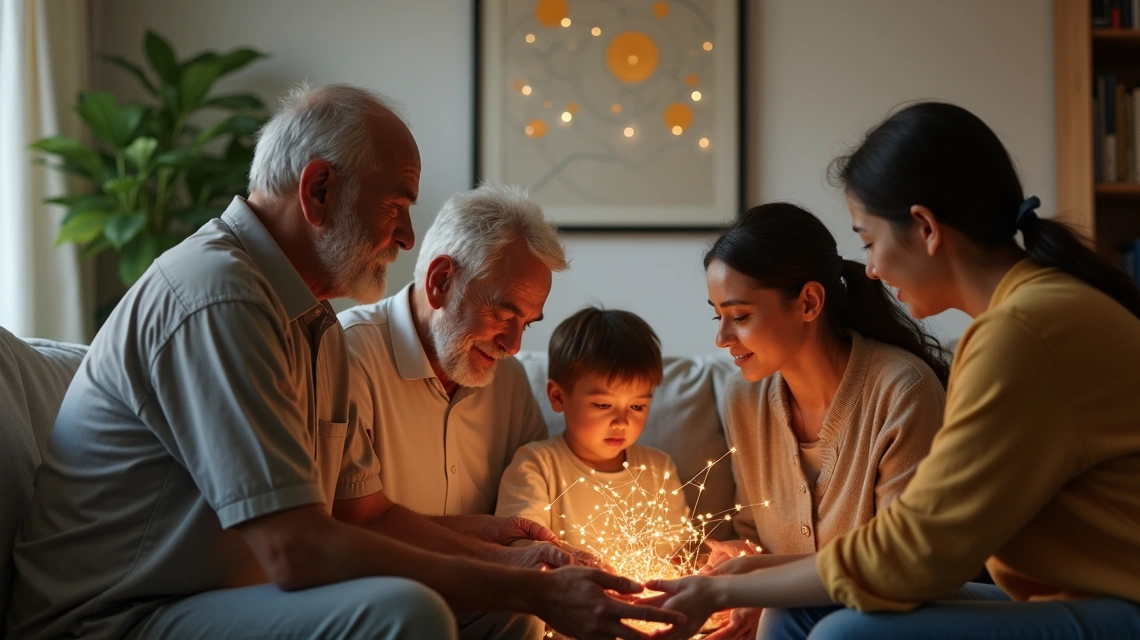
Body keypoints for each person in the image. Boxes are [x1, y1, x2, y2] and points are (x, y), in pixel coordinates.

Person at [8, 83, 684, 640]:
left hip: (201, 601)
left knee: (508, 605)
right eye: (397, 205)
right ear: (319, 190)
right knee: (406, 611)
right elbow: (297, 549)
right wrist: (522, 583)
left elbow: (365, 515)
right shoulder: (219, 298)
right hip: (110, 619)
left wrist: (522, 563)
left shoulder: (312, 324)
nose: (408, 237)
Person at [644, 102, 1140, 640]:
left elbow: (920, 550)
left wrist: (720, 589)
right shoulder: (1020, 318)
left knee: (847, 633)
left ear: (925, 227)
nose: (867, 269)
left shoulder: (1024, 332)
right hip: (1087, 598)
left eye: (869, 241)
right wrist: (749, 577)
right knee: (799, 611)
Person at [697, 202, 949, 639]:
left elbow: (899, 567)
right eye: (716, 315)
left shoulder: (901, 390)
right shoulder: (743, 398)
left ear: (809, 302)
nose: (721, 338)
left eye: (739, 316)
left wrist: (762, 583)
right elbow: (753, 531)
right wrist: (742, 560)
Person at [338, 184, 559, 522]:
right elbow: (355, 527)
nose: (513, 346)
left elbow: (534, 512)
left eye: (526, 324)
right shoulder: (347, 356)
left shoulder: (511, 382)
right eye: (502, 315)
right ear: (441, 281)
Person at [495, 307, 688, 567]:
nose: (622, 422)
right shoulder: (536, 465)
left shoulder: (658, 469)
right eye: (603, 405)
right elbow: (522, 549)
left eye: (637, 406)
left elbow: (678, 552)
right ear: (558, 396)